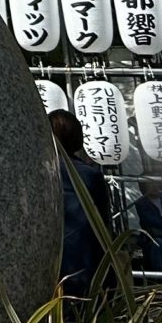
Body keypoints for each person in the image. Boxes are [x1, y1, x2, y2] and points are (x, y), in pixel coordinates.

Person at [51, 109, 115, 297]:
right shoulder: (90, 175)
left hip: (49, 258)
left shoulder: (40, 171)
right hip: (84, 259)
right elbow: (103, 223)